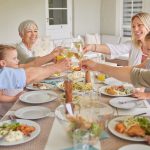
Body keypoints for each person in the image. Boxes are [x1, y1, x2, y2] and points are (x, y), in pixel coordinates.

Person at [0, 45, 71, 117]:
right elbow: (28, 76)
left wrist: (51, 57)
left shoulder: (14, 67)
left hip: (18, 104)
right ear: (3, 63)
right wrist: (14, 98)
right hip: (8, 111)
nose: (18, 60)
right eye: (14, 58)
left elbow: (34, 64)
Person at [83, 12, 150, 66]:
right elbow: (114, 49)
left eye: (139, 25)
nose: (135, 29)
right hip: (133, 82)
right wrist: (91, 47)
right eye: (133, 26)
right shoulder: (132, 44)